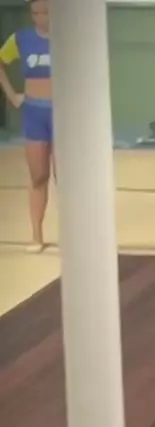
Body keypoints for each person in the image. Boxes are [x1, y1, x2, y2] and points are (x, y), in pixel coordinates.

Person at [0, 0, 52, 252]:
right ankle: (36, 235)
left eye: (47, 12)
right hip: (34, 113)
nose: (41, 17)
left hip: (63, 113)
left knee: (66, 177)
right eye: (37, 12)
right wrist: (12, 95)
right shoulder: (20, 39)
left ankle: (76, 235)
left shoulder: (68, 39)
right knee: (38, 175)